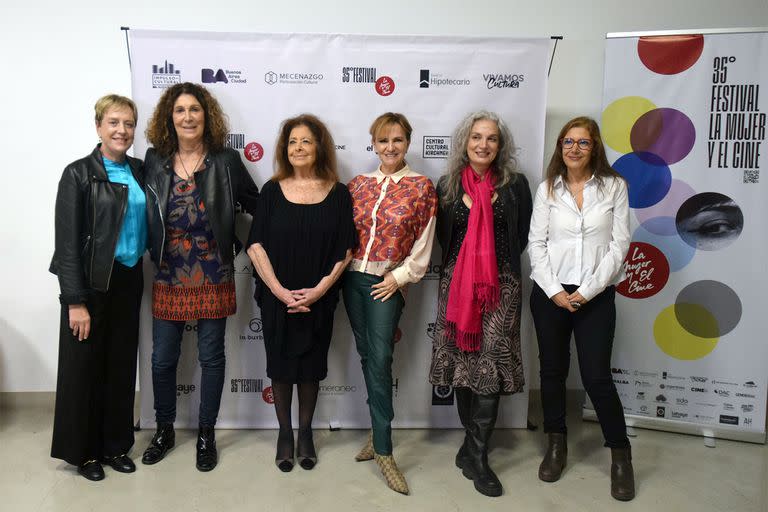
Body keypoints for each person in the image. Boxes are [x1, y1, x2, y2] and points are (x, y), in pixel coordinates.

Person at [141, 82, 259, 472]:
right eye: (180, 110)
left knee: (211, 357)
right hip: (169, 271)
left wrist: (243, 245)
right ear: (169, 118)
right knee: (162, 360)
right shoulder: (154, 160)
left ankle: (206, 433)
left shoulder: (226, 160)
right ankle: (164, 429)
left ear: (206, 116)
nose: (188, 117)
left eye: (195, 109)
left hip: (213, 271)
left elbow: (257, 204)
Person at [528, 116, 634, 501]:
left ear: (595, 148)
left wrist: (586, 292)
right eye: (567, 141)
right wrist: (556, 291)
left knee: (596, 376)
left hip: (596, 294)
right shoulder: (547, 190)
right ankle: (556, 446)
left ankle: (621, 457)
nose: (574, 148)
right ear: (560, 146)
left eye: (583, 142)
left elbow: (619, 247)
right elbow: (536, 245)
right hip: (550, 293)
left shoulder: (614, 188)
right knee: (552, 372)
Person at [429, 111, 532, 497]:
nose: (483, 144)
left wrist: (489, 269)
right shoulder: (449, 185)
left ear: (499, 145)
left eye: (491, 138)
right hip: (456, 288)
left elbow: (520, 236)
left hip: (500, 288)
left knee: (488, 368)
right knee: (461, 367)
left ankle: (478, 455)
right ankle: (471, 449)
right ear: (465, 142)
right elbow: (444, 238)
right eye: (476, 137)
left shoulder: (515, 185)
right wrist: (468, 270)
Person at [247, 114, 356, 473]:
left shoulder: (339, 193)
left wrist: (319, 290)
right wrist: (280, 292)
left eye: (306, 141)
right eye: (293, 141)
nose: (298, 148)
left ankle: (306, 432)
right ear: (284, 148)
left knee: (310, 368)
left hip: (319, 298)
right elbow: (255, 246)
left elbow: (345, 250)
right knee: (280, 367)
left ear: (319, 147)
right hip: (277, 296)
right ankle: (284, 433)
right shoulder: (271, 191)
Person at [50, 94, 146, 481]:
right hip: (90, 284)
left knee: (121, 367)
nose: (121, 130)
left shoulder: (140, 169)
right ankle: (84, 453)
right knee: (84, 369)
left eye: (128, 123)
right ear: (98, 127)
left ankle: (114, 446)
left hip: (129, 277)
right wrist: (74, 301)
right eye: (113, 122)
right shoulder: (77, 174)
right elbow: (68, 244)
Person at [344, 112, 437, 495]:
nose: (390, 147)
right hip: (351, 278)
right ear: (374, 144)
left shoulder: (421, 187)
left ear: (408, 143)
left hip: (387, 281)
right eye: (383, 141)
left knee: (381, 358)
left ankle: (384, 449)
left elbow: (424, 243)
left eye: (397, 140)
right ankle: (376, 430)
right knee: (367, 356)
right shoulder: (358, 185)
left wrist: (398, 278)